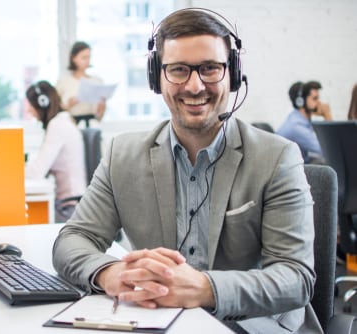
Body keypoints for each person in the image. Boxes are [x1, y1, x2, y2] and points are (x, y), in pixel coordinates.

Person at [53, 8, 322, 334]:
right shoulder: (121, 155)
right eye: (178, 70)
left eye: (210, 68)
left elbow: (295, 278)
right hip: (159, 322)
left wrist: (204, 288)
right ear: (157, 77)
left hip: (252, 324)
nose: (194, 86)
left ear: (232, 74)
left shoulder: (277, 157)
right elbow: (73, 240)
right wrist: (113, 274)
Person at [25, 81, 87, 222]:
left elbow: (36, 172)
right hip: (70, 205)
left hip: (69, 208)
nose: (29, 110)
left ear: (42, 103)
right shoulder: (62, 122)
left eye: (30, 105)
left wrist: (12, 171)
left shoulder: (58, 125)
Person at [277, 81, 333, 164]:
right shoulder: (297, 126)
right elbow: (328, 152)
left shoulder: (299, 120)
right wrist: (327, 115)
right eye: (315, 99)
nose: (319, 102)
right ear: (301, 101)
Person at [56, 41, 106, 126]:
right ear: (73, 58)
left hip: (92, 126)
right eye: (84, 57)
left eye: (89, 57)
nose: (87, 61)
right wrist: (68, 105)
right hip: (71, 126)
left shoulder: (97, 81)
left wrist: (102, 106)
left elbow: (99, 116)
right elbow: (56, 110)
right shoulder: (63, 82)